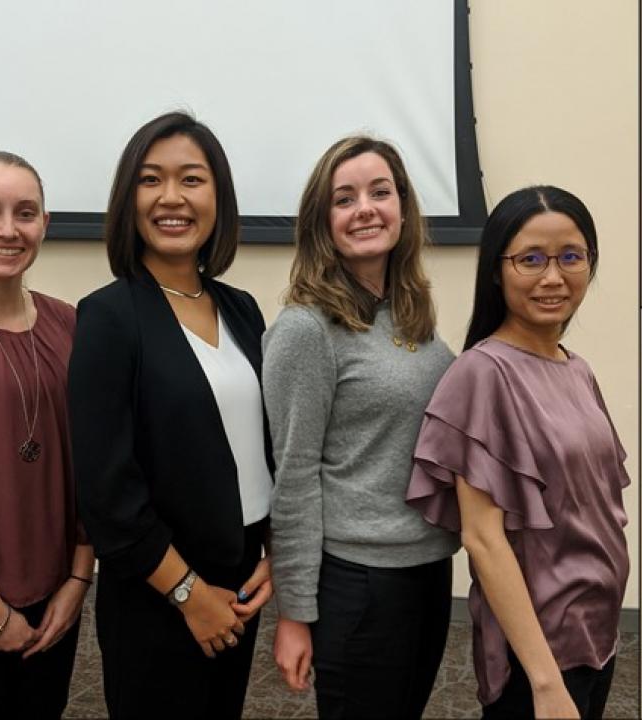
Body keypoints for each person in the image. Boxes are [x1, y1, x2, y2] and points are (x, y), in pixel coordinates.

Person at [68, 112, 274, 718]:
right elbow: (107, 488)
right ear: (128, 199)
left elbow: (258, 443)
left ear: (218, 197)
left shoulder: (242, 310)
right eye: (151, 180)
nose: (172, 198)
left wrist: (273, 554)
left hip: (239, 577)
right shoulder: (108, 317)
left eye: (192, 179)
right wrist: (187, 594)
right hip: (157, 588)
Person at [408, 185, 630, 719]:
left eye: (571, 257)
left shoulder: (575, 367)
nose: (553, 277)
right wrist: (545, 681)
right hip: (542, 654)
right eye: (530, 259)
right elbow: (483, 540)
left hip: (597, 635)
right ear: (497, 269)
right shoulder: (483, 374)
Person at [263, 136, 458, 718]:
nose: (365, 208)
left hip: (428, 570)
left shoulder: (409, 313)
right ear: (323, 221)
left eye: (380, 192)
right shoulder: (306, 329)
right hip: (358, 585)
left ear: (403, 207)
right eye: (344, 198)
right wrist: (295, 615)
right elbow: (293, 477)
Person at [0, 151, 95, 718]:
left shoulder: (71, 325)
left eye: (25, 213)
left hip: (57, 598)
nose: (8, 230)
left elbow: (93, 459)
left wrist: (80, 577)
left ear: (45, 225)